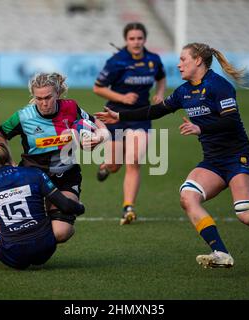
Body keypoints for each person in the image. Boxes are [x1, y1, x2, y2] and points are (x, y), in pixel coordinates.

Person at [95, 42, 249, 275]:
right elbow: (157, 110)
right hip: (213, 162)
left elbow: (231, 121)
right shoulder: (184, 91)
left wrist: (201, 129)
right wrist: (119, 115)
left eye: (183, 59)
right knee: (187, 196)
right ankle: (221, 253)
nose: (179, 64)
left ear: (198, 61)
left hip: (239, 158)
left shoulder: (218, 86)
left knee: (247, 216)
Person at [0, 86, 85, 270]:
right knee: (60, 226)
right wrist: (80, 208)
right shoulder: (34, 174)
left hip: (12, 256)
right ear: (8, 157)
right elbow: (66, 205)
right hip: (45, 250)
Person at [0, 72, 106, 243]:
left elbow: (96, 123)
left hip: (65, 176)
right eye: (38, 98)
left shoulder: (71, 107)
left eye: (48, 97)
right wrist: (9, 163)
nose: (43, 103)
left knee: (61, 232)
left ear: (58, 94)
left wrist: (99, 137)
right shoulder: (23, 117)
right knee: (20, 229)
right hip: (31, 177)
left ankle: (37, 241)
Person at [93, 22, 166, 225]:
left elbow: (161, 78)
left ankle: (128, 208)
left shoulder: (153, 59)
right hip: (115, 115)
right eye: (132, 38)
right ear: (126, 40)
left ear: (145, 39)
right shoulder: (116, 61)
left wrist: (160, 93)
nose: (136, 42)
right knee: (115, 165)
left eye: (139, 38)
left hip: (141, 116)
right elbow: (98, 88)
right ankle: (106, 167)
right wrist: (122, 97)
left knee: (134, 160)